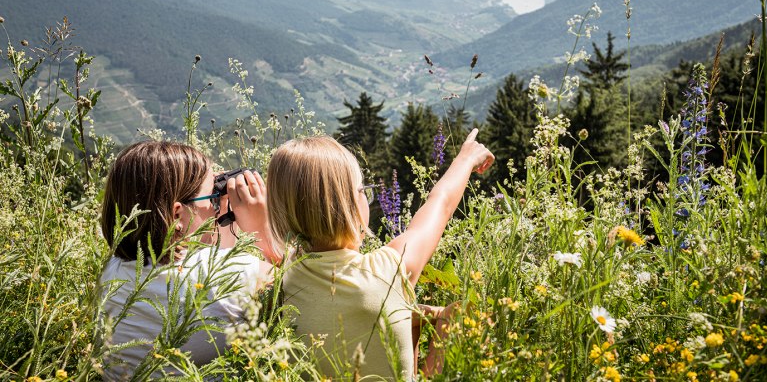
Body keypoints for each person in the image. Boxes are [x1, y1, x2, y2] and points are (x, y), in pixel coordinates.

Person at [266, 129, 493, 379]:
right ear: (350, 203)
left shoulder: (277, 286)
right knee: (462, 311)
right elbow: (442, 203)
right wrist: (466, 159)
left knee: (411, 316)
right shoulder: (387, 270)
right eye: (363, 190)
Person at [99, 141, 276, 380]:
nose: (214, 208)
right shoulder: (238, 274)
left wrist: (216, 203)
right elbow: (298, 290)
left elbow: (202, 263)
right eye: (211, 199)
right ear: (177, 214)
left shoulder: (112, 270)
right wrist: (261, 230)